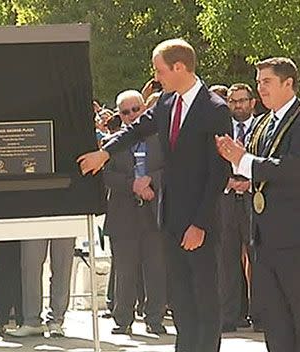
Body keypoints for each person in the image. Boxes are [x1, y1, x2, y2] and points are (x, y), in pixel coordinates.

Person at [78, 38, 230, 352]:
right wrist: (104, 154)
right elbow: (135, 129)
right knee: (181, 296)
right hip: (171, 217)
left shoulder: (214, 109)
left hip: (199, 221)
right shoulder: (165, 103)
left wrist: (199, 224)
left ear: (180, 68)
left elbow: (218, 173)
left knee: (204, 295)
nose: (156, 77)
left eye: (160, 70)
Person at [217, 57, 300, 352]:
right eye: (258, 82)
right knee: (275, 318)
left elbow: (296, 168)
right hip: (264, 234)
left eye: (266, 82)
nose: (260, 88)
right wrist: (237, 166)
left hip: (298, 235)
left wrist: (244, 161)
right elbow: (253, 167)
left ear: (288, 83)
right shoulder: (264, 123)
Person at [103, 90, 167, 335]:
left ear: (144, 110)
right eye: (125, 112)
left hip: (155, 213)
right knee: (125, 270)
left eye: (135, 110)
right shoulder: (113, 144)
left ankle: (154, 319)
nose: (131, 115)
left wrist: (151, 181)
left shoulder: (159, 140)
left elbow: (171, 169)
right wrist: (132, 184)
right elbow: (106, 176)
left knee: (156, 268)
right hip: (124, 215)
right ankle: (123, 319)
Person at [219, 83, 256, 333]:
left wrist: (252, 182)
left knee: (258, 258)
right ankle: (229, 317)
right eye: (233, 101)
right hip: (227, 196)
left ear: (252, 102)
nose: (238, 106)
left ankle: (261, 315)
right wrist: (228, 181)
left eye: (242, 101)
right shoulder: (220, 130)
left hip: (256, 197)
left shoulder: (264, 127)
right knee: (227, 258)